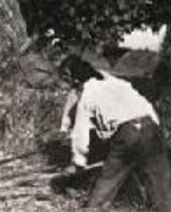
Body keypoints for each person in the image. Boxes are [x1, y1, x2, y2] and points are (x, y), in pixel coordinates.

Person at [59, 54, 171, 211]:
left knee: (108, 181)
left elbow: (80, 133)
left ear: (76, 81)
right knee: (162, 184)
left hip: (127, 134)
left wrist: (78, 163)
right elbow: (147, 107)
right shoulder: (118, 83)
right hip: (151, 128)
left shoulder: (87, 94)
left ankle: (93, 209)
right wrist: (153, 133)